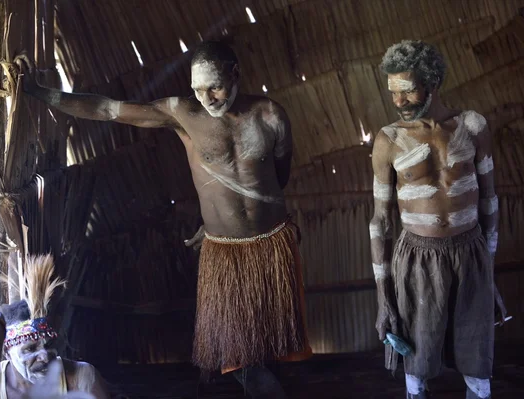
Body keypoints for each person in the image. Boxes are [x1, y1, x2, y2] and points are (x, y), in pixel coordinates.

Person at [23, 41, 312, 398]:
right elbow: (105, 108)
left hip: (272, 243)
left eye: (215, 86)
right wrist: (39, 92)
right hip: (224, 252)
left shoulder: (270, 115)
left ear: (235, 74)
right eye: (197, 88)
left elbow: (279, 176)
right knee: (243, 355)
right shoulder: (182, 113)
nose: (207, 97)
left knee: (274, 341)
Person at [369, 40, 508, 399]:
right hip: (417, 257)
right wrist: (384, 297)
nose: (399, 102)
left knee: (476, 357)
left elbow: (490, 202)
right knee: (417, 358)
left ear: (432, 83)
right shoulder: (389, 140)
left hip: (471, 251)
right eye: (393, 93)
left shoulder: (472, 126)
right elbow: (381, 223)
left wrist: (487, 273)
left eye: (408, 91)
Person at [0, 254, 109, 399]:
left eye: (49, 345)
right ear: (7, 352)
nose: (45, 356)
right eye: (30, 348)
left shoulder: (81, 377)